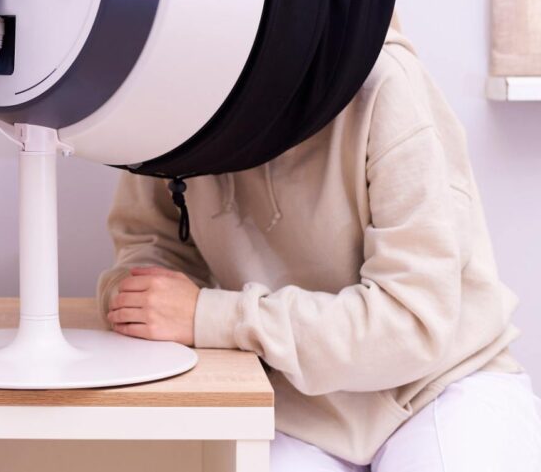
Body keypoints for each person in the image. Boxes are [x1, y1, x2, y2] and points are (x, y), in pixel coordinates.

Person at [98, 24, 541, 469]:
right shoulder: (176, 87)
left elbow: (411, 324)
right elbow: (149, 241)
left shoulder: (386, 86)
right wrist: (139, 298)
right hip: (293, 401)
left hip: (440, 385)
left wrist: (212, 317)